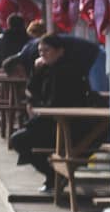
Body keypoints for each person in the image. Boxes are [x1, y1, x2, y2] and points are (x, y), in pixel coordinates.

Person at [8, 33, 102, 191]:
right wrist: (36, 73)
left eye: (47, 50)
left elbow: (55, 103)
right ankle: (53, 176)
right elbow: (32, 92)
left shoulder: (66, 71)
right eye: (40, 51)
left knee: (19, 140)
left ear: (60, 51)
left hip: (69, 127)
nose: (42, 54)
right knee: (20, 139)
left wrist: (35, 115)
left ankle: (53, 176)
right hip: (54, 124)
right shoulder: (47, 69)